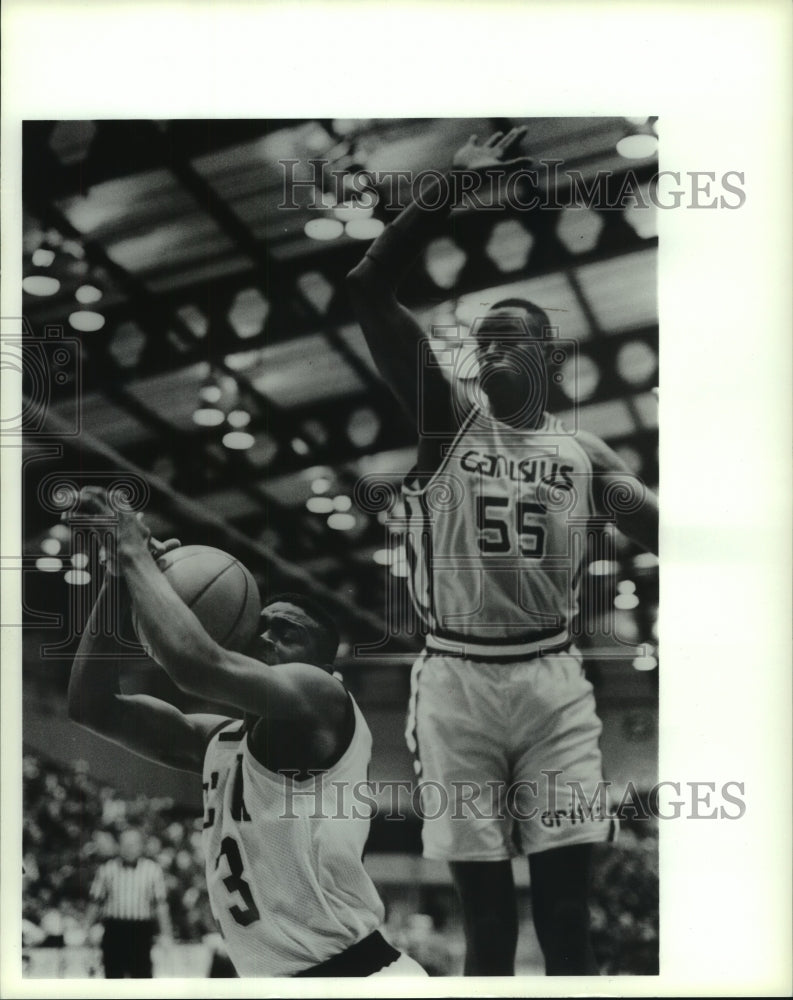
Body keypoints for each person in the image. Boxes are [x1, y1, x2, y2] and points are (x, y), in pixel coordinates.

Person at [346, 126, 659, 975]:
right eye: (479, 336)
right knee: (487, 929)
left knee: (565, 919)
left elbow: (673, 536)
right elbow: (368, 288)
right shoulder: (444, 423)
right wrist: (452, 186)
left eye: (507, 334)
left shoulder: (584, 458)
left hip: (552, 682)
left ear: (546, 357)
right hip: (455, 683)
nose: (488, 345)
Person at [67, 488, 426, 978]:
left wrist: (133, 551)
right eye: (262, 626)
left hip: (355, 976)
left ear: (323, 666)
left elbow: (197, 666)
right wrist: (116, 581)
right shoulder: (219, 744)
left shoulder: (323, 699)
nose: (264, 638)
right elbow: (92, 707)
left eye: (287, 634)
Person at [84, 828, 172, 978]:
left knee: (141, 979)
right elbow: (95, 902)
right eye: (125, 844)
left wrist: (166, 934)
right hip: (114, 930)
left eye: (133, 844)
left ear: (141, 846)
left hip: (141, 931)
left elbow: (160, 905)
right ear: (119, 846)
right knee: (113, 978)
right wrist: (86, 929)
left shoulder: (153, 870)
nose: (129, 849)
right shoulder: (106, 870)